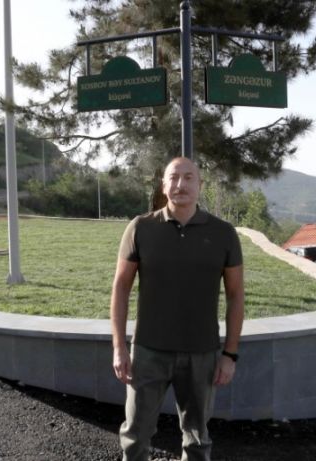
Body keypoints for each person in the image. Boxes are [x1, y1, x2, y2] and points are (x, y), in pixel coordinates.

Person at [110, 157, 245, 461]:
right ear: (163, 185)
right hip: (148, 352)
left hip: (202, 354)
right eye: (173, 177)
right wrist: (119, 347)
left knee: (197, 439)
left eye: (188, 177)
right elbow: (120, 288)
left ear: (200, 185)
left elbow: (236, 295)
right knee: (135, 435)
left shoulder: (224, 233)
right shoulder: (141, 228)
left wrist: (230, 355)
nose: (180, 184)